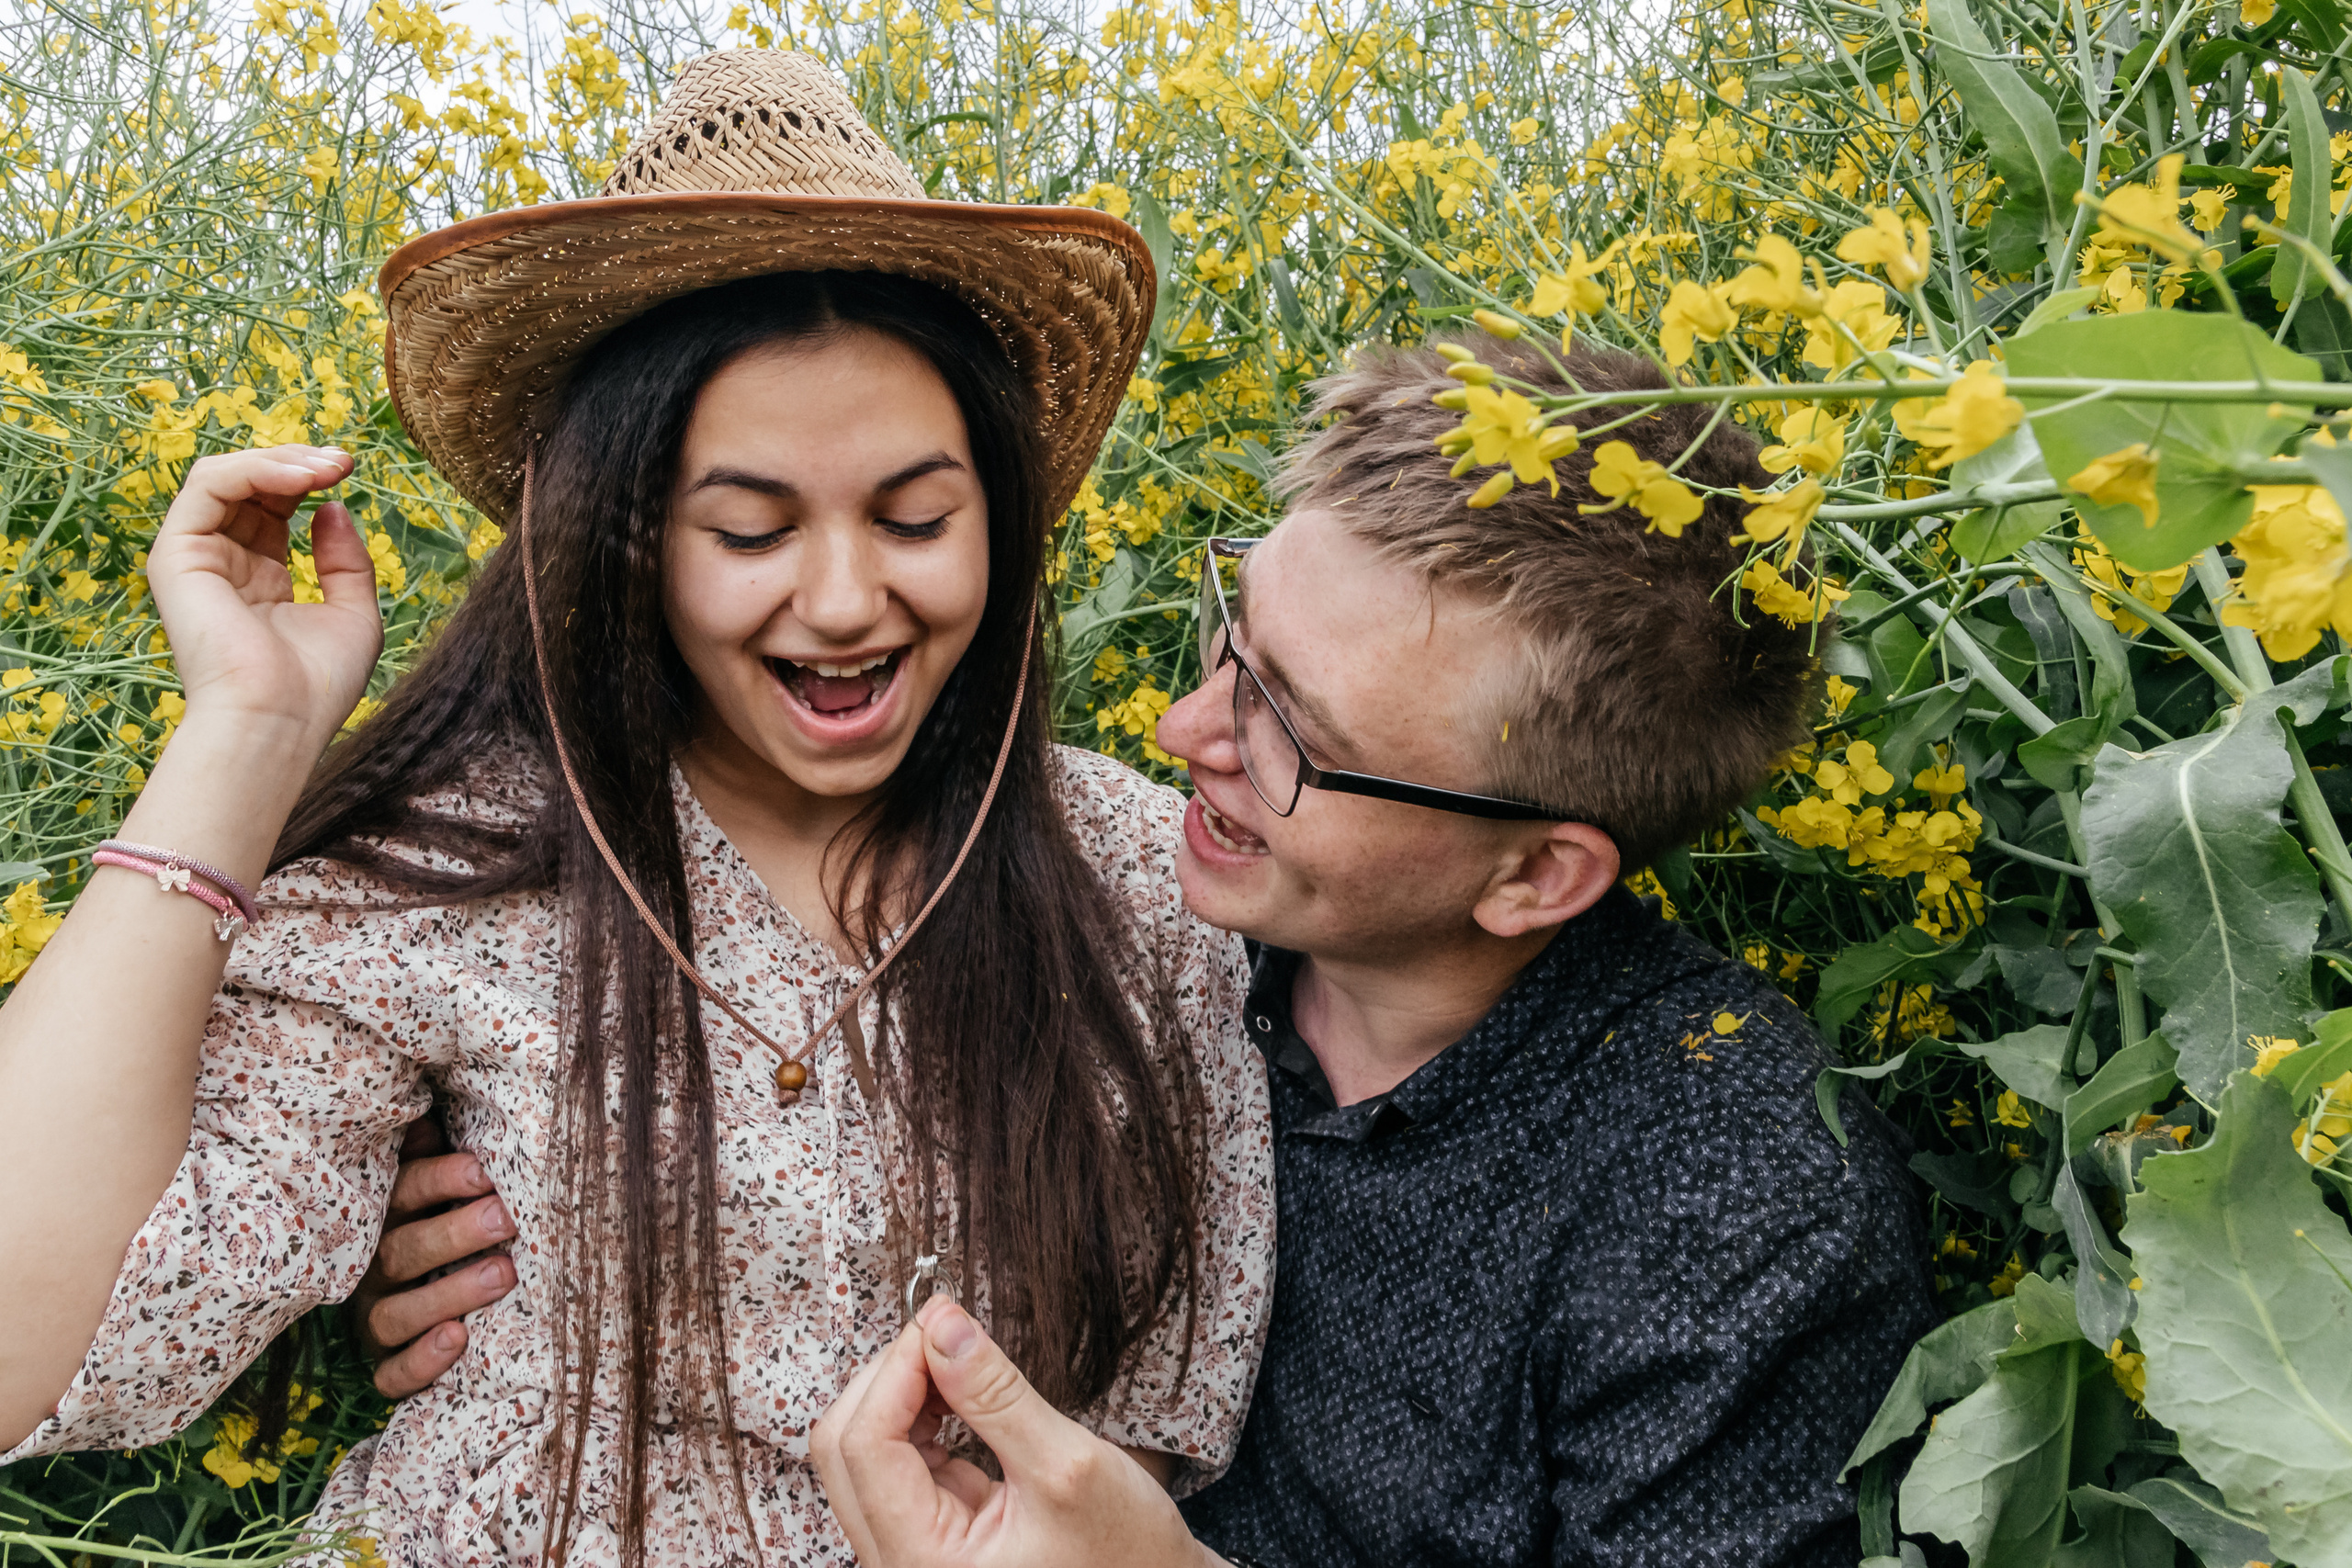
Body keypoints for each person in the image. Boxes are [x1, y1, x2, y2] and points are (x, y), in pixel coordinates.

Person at [364, 333, 1942, 1565]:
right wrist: (540, 1248)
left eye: (1290, 739)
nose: (1186, 729)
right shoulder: (1117, 921)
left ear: (1536, 875)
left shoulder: (1738, 1210)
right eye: (1227, 637)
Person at [0, 51, 1273, 1566]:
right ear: (623, 541)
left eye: (918, 517)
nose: (847, 598)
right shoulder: (455, 868)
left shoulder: (1135, 873)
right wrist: (246, 731)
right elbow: (38, 1348)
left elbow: (1165, 1434)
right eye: (749, 527)